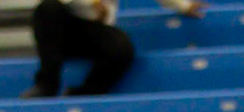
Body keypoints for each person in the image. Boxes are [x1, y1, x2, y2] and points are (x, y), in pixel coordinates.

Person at [26, 0, 203, 98]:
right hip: (62, 29)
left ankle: (85, 93)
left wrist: (184, 6)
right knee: (47, 9)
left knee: (121, 47)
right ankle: (46, 85)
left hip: (96, 29)